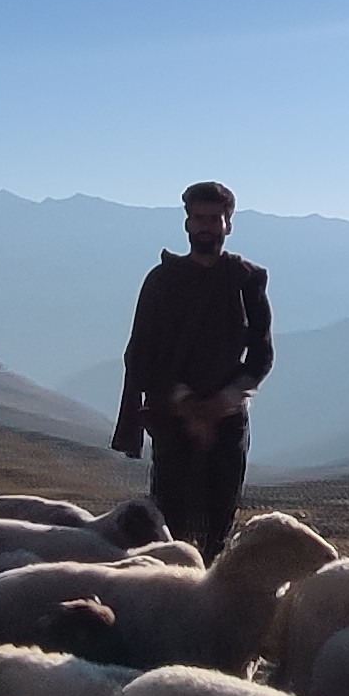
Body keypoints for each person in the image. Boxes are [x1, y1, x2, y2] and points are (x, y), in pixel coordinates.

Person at [112, 183, 273, 561]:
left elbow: (261, 354)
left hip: (229, 419)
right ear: (187, 224)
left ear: (227, 225)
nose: (206, 227)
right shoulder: (161, 282)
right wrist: (184, 402)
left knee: (221, 521)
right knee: (171, 520)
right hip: (173, 419)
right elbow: (142, 352)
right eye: (198, 219)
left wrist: (227, 399)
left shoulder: (247, 280)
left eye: (214, 219)